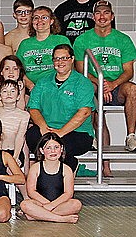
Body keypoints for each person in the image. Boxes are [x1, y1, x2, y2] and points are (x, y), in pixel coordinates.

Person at [72, 0, 136, 153]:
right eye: (98, 13)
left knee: (132, 88)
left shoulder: (123, 39)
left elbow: (129, 72)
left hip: (116, 86)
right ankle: (90, 136)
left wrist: (112, 85)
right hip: (95, 85)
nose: (102, 16)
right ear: (93, 17)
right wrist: (101, 83)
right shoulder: (82, 40)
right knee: (87, 88)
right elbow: (80, 70)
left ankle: (131, 136)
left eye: (106, 13)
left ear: (112, 16)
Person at [26, 44, 95, 173]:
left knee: (56, 146)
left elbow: (84, 112)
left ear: (72, 59)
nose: (60, 62)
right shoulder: (43, 81)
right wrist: (43, 128)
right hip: (47, 130)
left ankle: (65, 175)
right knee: (32, 136)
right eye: (56, 59)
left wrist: (60, 132)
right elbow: (33, 108)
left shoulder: (82, 83)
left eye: (64, 58)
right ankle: (45, 179)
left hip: (77, 132)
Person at [20, 133, 82, 223]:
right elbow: (31, 191)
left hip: (59, 204)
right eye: (48, 148)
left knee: (76, 204)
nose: (53, 151)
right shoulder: (35, 167)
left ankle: (38, 215)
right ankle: (59, 218)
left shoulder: (66, 169)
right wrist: (46, 204)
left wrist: (52, 205)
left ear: (61, 148)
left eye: (56, 147)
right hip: (40, 203)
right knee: (25, 204)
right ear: (41, 150)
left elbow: (68, 193)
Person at [17, 6, 71, 89]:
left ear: (51, 21)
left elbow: (69, 66)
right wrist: (30, 85)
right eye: (36, 18)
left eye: (44, 17)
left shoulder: (61, 40)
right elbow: (18, 69)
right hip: (30, 88)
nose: (40, 21)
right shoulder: (25, 44)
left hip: (56, 87)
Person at [0, 79, 31, 167]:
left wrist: (15, 158)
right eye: (4, 91)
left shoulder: (24, 115)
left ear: (18, 96)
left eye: (12, 91)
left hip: (15, 151)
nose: (9, 94)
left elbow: (20, 137)